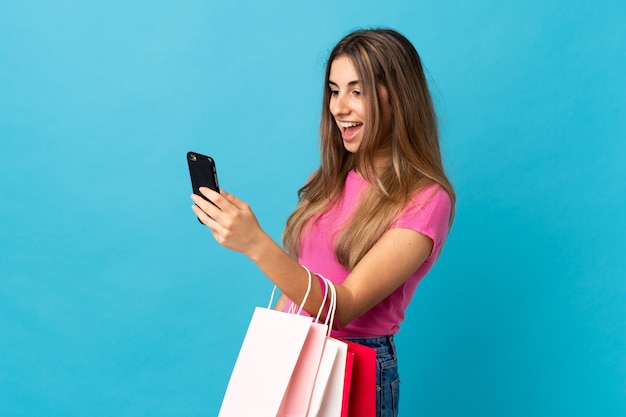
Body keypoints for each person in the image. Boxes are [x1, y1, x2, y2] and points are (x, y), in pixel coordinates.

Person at [191, 28, 455, 417]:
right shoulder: (328, 178)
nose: (339, 107)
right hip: (294, 350)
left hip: (356, 365)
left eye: (356, 91)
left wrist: (255, 243)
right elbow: (303, 278)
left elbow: (342, 306)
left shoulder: (426, 200)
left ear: (397, 97)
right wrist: (272, 348)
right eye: (334, 90)